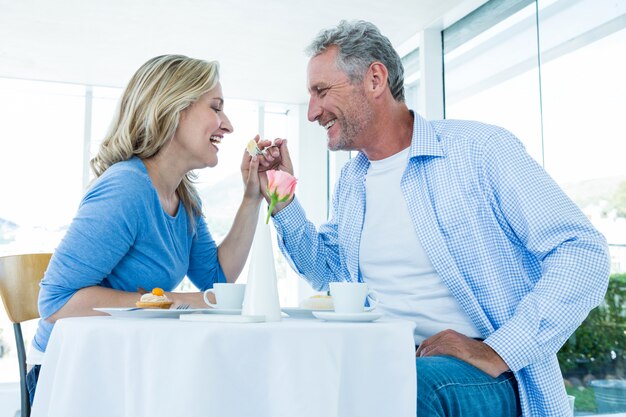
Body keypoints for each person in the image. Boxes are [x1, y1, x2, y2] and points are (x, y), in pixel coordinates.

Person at [263, 20, 611, 416]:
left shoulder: (479, 151)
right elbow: (328, 273)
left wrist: (498, 350)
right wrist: (281, 194)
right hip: (386, 360)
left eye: (321, 91)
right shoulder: (353, 180)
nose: (312, 112)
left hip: (479, 373)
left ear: (375, 79)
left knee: (405, 390)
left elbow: (583, 252)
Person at [27, 54, 275, 403]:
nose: (228, 125)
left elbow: (216, 277)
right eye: (216, 108)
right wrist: (175, 302)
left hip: (119, 363)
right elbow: (55, 302)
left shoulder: (183, 197)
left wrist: (252, 197)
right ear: (173, 109)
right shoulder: (127, 189)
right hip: (67, 373)